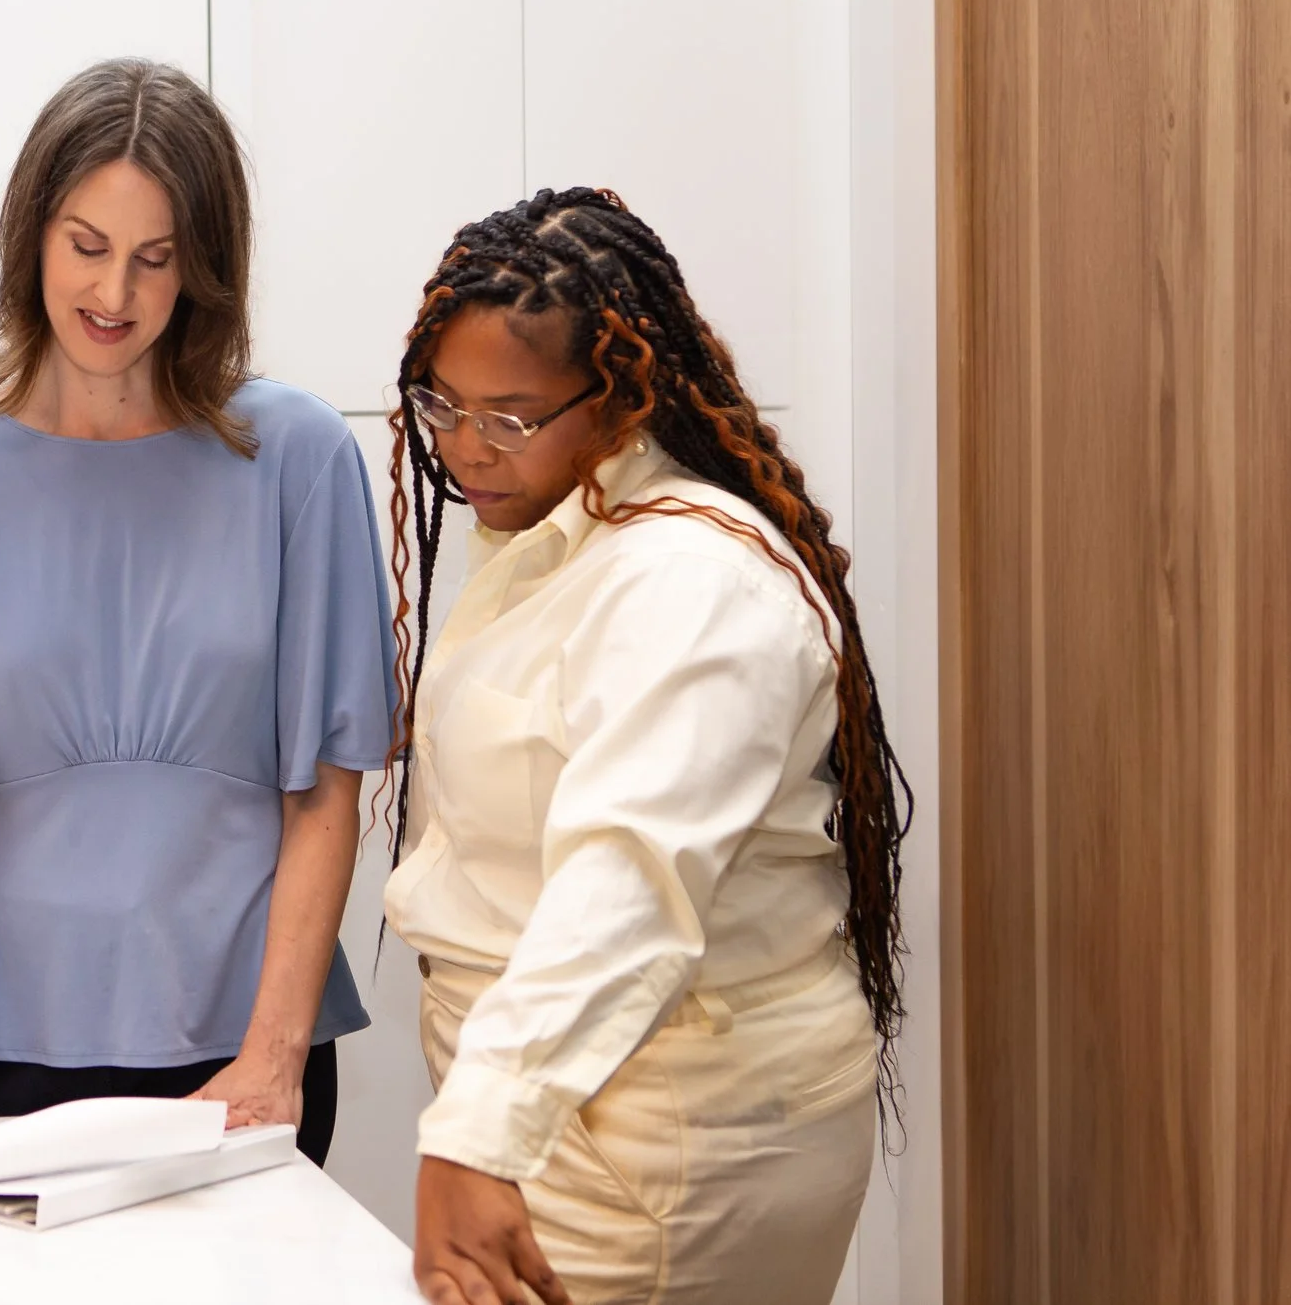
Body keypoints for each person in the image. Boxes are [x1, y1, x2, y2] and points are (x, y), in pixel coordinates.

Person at [0, 59, 397, 1169]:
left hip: (242, 1054)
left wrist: (276, 1050)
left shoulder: (301, 460)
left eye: (155, 257)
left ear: (205, 263)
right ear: (31, 236)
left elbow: (326, 793)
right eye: (86, 246)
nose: (115, 294)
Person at [379, 187, 914, 1305]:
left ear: (621, 395)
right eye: (442, 404)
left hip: (660, 1140)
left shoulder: (691, 583)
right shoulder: (565, 535)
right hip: (587, 1111)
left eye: (508, 416)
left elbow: (629, 880)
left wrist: (478, 1132)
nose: (463, 448)